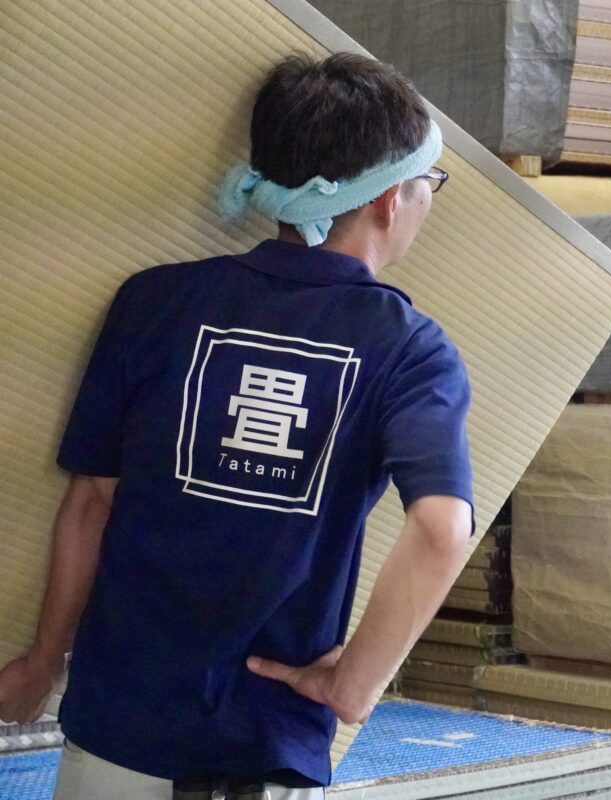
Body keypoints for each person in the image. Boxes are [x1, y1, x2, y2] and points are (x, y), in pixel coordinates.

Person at [0, 53, 474, 799]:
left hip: (119, 723)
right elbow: (442, 531)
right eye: (430, 184)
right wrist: (354, 686)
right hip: (263, 743)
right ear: (390, 199)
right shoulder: (410, 350)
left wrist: (43, 659)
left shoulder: (153, 303)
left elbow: (91, 501)